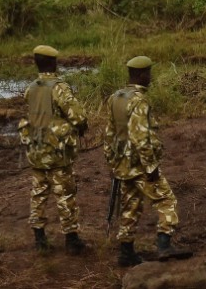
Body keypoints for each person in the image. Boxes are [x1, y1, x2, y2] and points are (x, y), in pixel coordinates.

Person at [104, 56, 191, 267]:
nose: (150, 77)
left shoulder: (116, 97)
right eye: (149, 73)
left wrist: (112, 162)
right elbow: (141, 138)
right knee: (166, 200)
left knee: (130, 206)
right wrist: (151, 166)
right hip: (140, 165)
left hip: (122, 164)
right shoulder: (139, 101)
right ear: (142, 75)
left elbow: (109, 134)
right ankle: (164, 245)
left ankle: (126, 252)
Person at [17, 45, 89, 254]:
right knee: (65, 193)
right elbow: (78, 116)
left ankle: (39, 238)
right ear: (53, 63)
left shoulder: (31, 88)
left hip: (36, 148)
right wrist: (79, 128)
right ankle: (72, 239)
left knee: (38, 192)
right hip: (56, 151)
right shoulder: (59, 87)